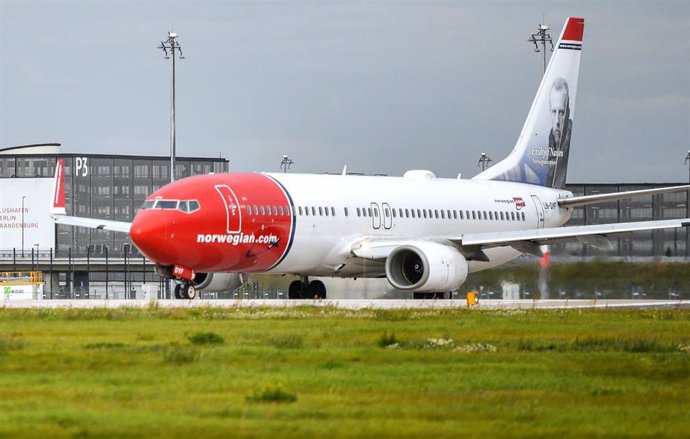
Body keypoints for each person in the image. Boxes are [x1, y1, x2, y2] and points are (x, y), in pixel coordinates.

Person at [546, 78, 572, 188]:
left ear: (568, 113)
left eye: (561, 112)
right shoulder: (550, 143)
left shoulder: (570, 145)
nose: (557, 121)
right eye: (554, 112)